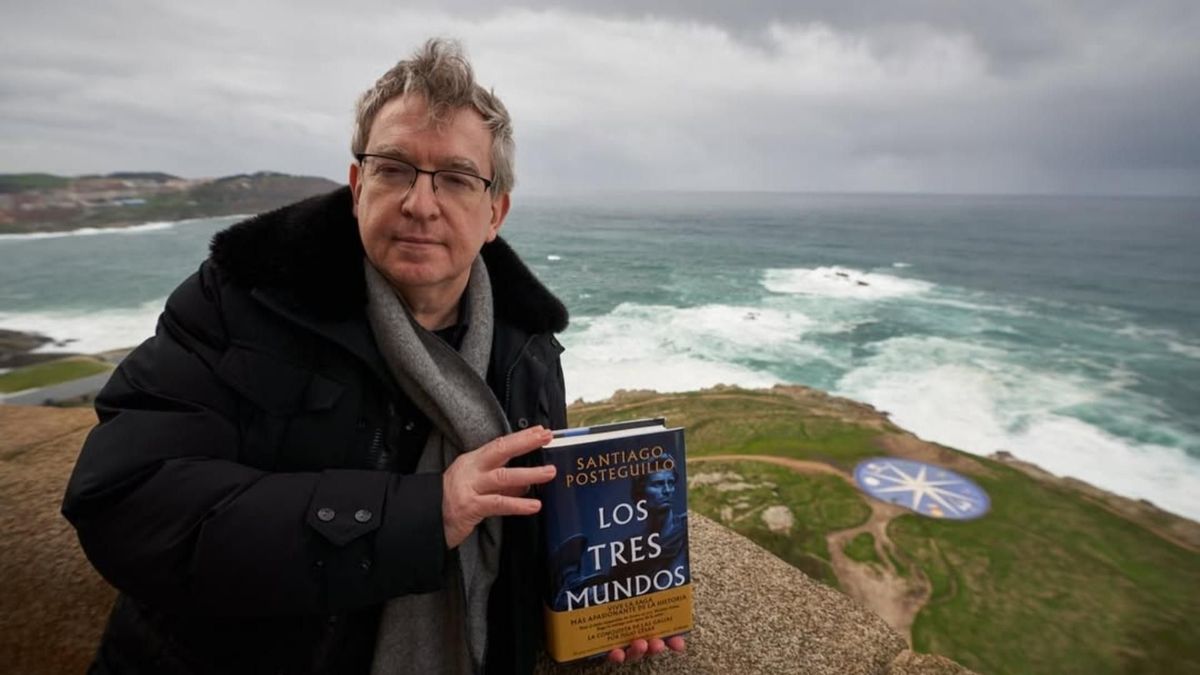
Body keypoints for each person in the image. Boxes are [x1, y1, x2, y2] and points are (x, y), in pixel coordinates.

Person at [61, 38, 682, 674]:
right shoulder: (242, 302)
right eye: (394, 169)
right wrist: (423, 513)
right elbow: (126, 500)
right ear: (358, 185)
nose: (420, 203)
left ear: (495, 212)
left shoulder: (528, 348)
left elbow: (520, 542)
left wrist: (593, 616)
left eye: (456, 179)